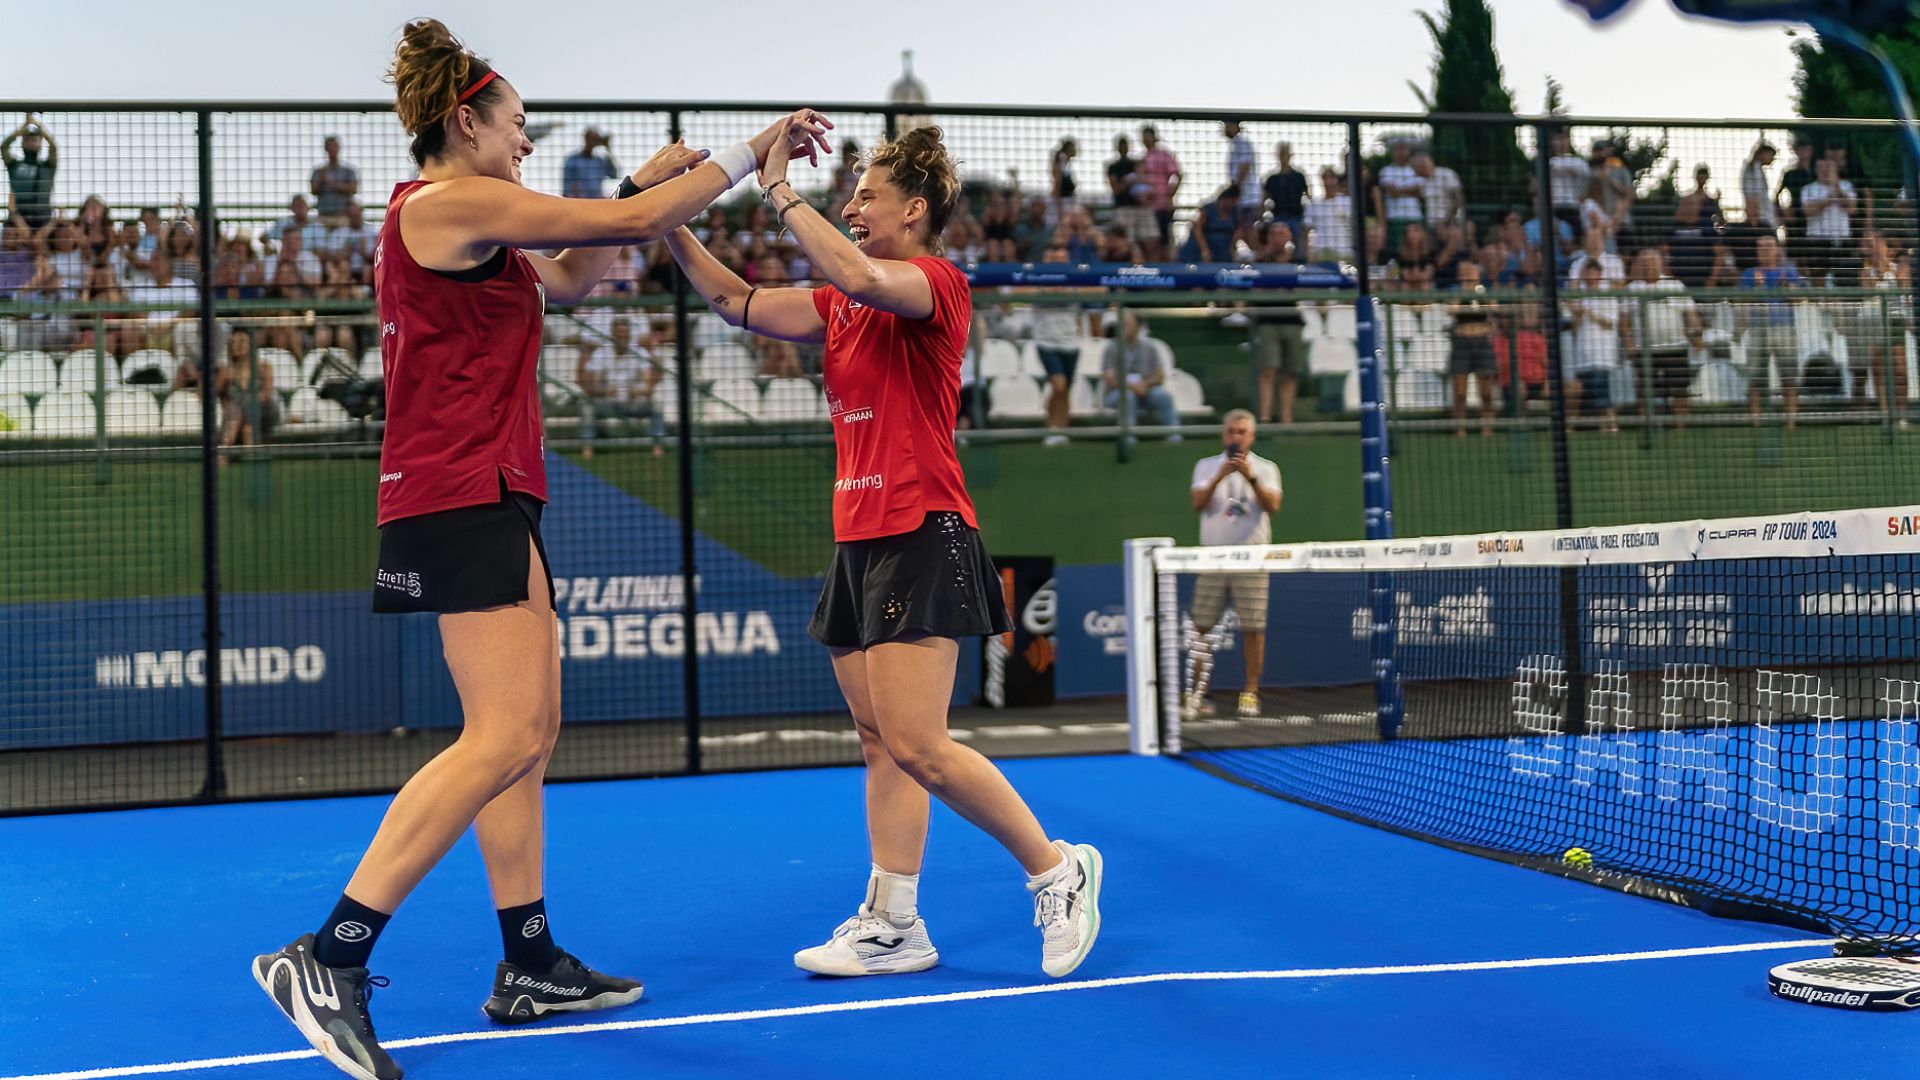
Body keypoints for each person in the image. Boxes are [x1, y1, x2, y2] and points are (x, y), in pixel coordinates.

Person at [249, 21, 830, 1080]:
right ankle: (326, 957)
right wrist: (750, 154)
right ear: (463, 122)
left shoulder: (476, 226)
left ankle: (528, 964)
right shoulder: (449, 203)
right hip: (460, 493)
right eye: (516, 127)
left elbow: (569, 276)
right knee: (504, 733)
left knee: (525, 732)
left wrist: (659, 176)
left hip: (490, 491)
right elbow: (638, 220)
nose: (524, 145)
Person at [664, 124, 1104, 981]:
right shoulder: (837, 307)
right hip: (859, 539)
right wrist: (662, 221)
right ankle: (895, 922)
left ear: (917, 209)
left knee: (921, 743)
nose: (854, 205)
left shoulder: (934, 282)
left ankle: (1058, 869)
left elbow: (861, 272)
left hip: (922, 527)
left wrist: (776, 186)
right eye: (851, 194)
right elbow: (736, 303)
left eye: (868, 194)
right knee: (880, 741)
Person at [1184, 409, 1282, 720]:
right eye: (1231, 431)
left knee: (1254, 628)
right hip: (1213, 557)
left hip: (1251, 558)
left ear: (1251, 437)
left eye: (1242, 432)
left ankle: (1250, 692)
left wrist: (1249, 476)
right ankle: (1199, 693)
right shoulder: (1205, 466)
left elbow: (1273, 506)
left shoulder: (1266, 469)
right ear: (1223, 434)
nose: (1235, 437)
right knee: (1201, 627)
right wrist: (1220, 476)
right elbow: (1198, 504)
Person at [1623, 247, 1703, 429]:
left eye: (1652, 261)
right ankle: (1646, 424)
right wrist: (1628, 343)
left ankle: (1680, 426)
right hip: (1644, 349)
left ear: (1660, 263)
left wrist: (1697, 333)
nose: (1648, 265)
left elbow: (1690, 313)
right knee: (1644, 390)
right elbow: (1624, 322)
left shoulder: (1675, 286)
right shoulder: (1631, 289)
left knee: (1679, 389)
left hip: (1675, 346)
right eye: (1644, 262)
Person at [1740, 234, 1804, 429]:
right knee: (1755, 376)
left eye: (1769, 246)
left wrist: (1785, 286)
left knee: (1788, 376)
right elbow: (1742, 301)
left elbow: (1799, 300)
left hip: (1784, 328)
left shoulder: (1788, 272)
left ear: (1777, 250)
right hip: (1758, 328)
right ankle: (1756, 421)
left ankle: (1791, 422)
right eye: (1761, 247)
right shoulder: (1749, 274)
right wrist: (1758, 287)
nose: (1765, 250)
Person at [1102, 308, 1178, 430]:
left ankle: (1174, 434)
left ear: (1137, 327)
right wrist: (1132, 386)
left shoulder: (1149, 347)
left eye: (1126, 325)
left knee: (1164, 396)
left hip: (1145, 391)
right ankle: (1128, 437)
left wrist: (1145, 384)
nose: (1122, 328)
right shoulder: (1111, 348)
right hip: (1117, 393)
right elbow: (1110, 380)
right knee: (1128, 396)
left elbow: (1159, 375)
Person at [1448, 260, 1497, 437]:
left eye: (1472, 272)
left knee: (1486, 390)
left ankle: (1487, 426)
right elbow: (1452, 310)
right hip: (1462, 341)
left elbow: (1493, 307)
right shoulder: (1456, 291)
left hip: (1482, 341)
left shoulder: (1484, 291)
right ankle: (1459, 427)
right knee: (1459, 392)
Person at [2, 114, 58, 229]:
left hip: (42, 218)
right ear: (22, 144)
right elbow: (4, 146)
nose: (31, 143)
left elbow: (53, 147)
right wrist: (24, 126)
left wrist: (37, 124)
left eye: (35, 140)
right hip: (18, 218)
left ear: (40, 144)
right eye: (27, 140)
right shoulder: (15, 165)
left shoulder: (47, 166)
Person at [1139, 124, 1181, 259]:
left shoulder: (1164, 154)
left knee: (1165, 239)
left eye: (1147, 136)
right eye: (1143, 137)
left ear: (1154, 137)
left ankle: (1167, 268)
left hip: (1162, 205)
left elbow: (1177, 175)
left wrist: (1170, 196)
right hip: (1147, 207)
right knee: (1150, 240)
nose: (1145, 140)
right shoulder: (1142, 158)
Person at [1264, 142, 1309, 265]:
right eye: (1281, 153)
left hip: (1296, 216)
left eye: (1286, 153)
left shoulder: (1298, 176)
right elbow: (1264, 199)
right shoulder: (1272, 179)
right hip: (1277, 216)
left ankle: (1300, 262)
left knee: (1299, 236)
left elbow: (1307, 195)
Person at [311, 136, 361, 223]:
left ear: (338, 148)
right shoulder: (319, 171)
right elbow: (313, 191)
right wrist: (321, 181)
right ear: (326, 149)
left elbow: (354, 189)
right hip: (323, 214)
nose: (332, 149)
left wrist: (332, 184)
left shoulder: (348, 170)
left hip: (343, 215)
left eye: (334, 146)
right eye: (329, 147)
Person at [564, 127, 620, 199]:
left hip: (596, 200)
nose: (592, 141)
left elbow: (614, 175)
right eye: (590, 138)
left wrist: (608, 149)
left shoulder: (600, 161)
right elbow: (567, 185)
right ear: (585, 139)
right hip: (578, 200)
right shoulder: (573, 160)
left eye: (595, 139)